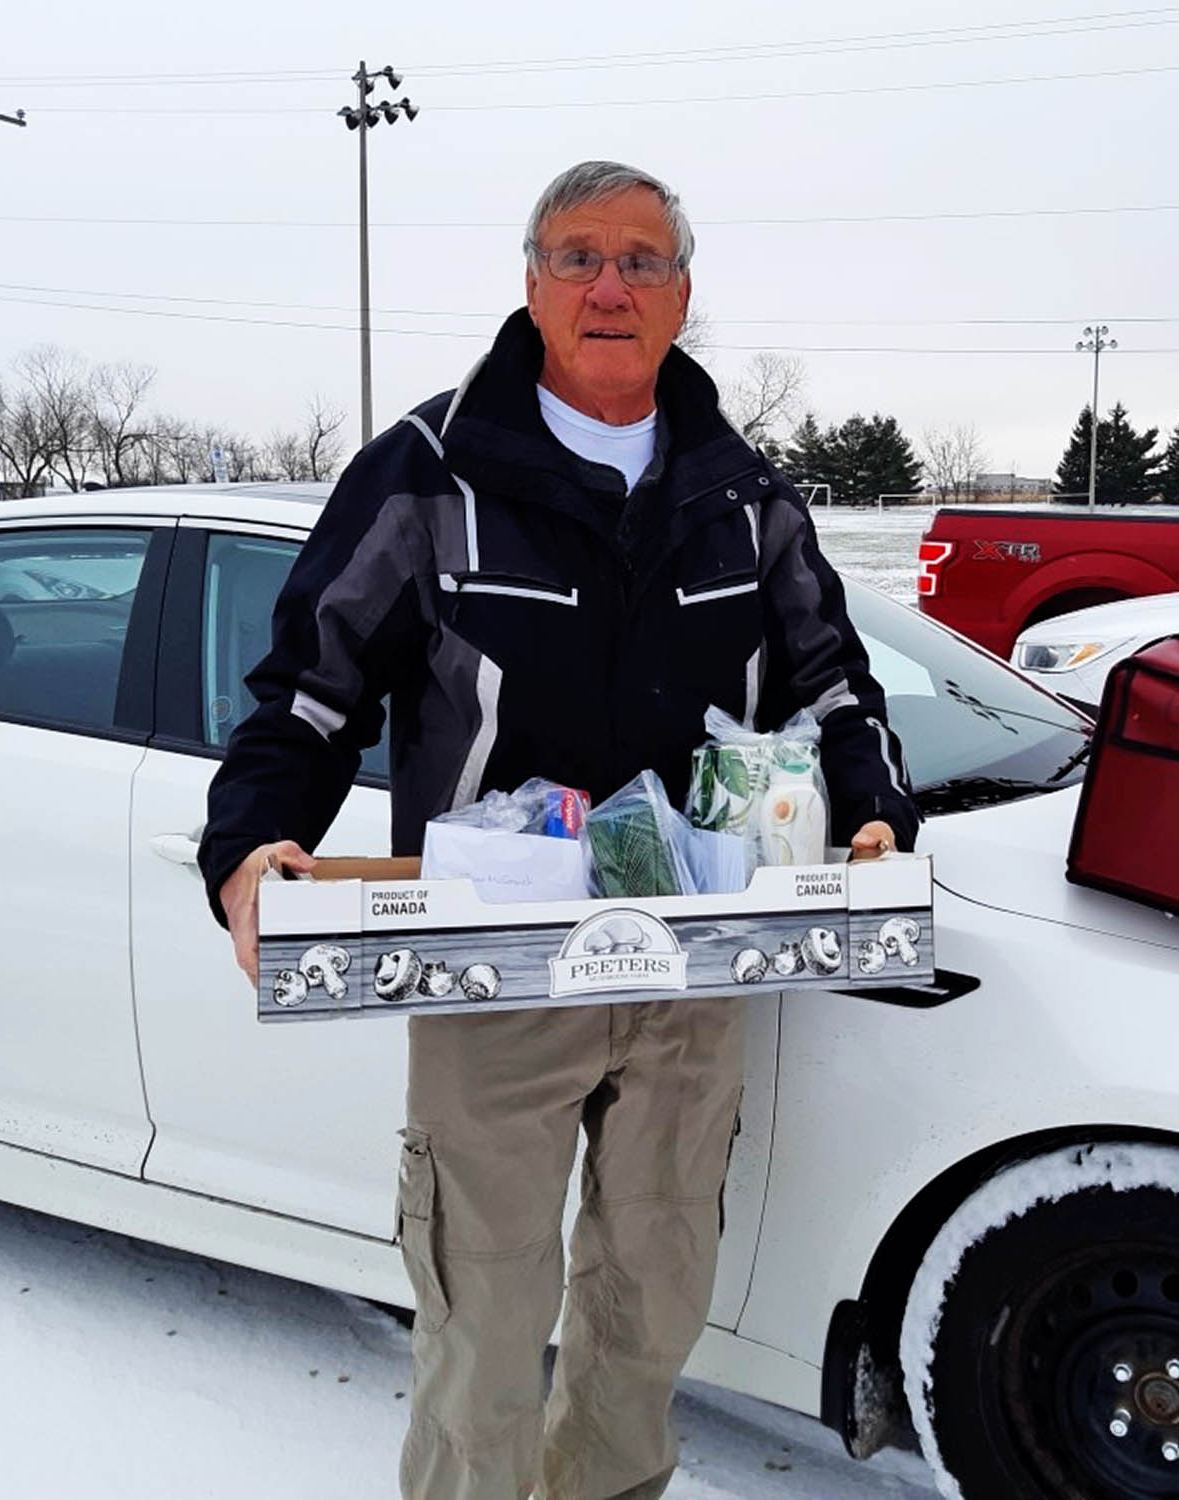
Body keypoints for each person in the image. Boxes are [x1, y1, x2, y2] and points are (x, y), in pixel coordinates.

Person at [199, 160, 920, 1500]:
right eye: (578, 255)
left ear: (683, 295)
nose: (610, 284)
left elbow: (836, 687)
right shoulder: (428, 476)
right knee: (482, 1327)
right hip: (494, 973)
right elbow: (306, 695)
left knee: (649, 1316)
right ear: (530, 285)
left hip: (692, 972)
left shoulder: (746, 495)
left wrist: (875, 814)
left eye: (643, 259)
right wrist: (249, 845)